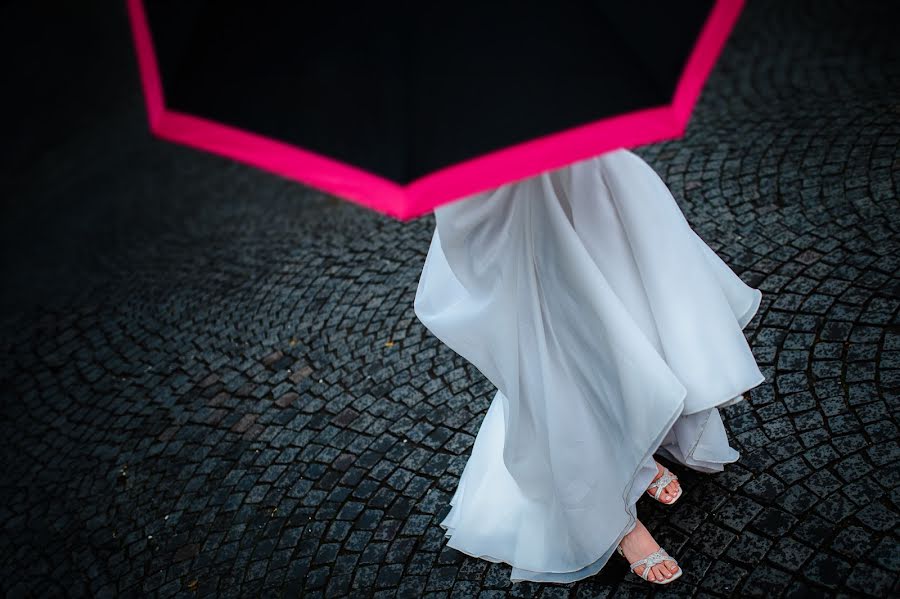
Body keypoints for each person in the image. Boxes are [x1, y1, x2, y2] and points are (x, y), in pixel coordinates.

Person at [413, 148, 765, 584]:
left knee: (614, 300)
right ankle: (612, 518)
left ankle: (636, 447)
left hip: (565, 151)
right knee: (548, 338)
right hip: (486, 182)